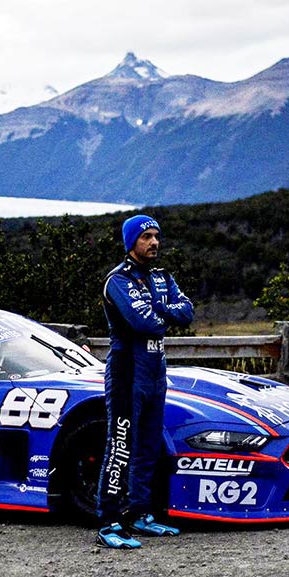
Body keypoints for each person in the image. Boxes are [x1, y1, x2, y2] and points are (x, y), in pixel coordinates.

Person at [95, 214, 194, 549]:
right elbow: (144, 323)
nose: (153, 242)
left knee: (149, 445)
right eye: (145, 237)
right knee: (120, 445)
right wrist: (165, 309)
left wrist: (159, 307)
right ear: (131, 242)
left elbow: (188, 312)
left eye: (156, 236)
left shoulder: (162, 276)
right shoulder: (117, 280)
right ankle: (109, 521)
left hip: (156, 369)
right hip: (127, 370)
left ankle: (140, 514)